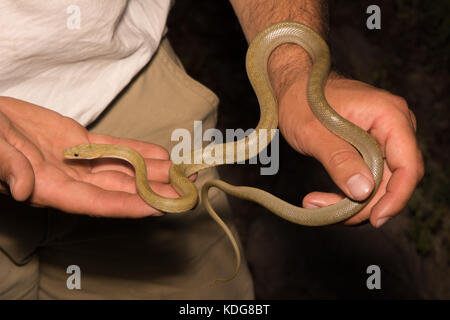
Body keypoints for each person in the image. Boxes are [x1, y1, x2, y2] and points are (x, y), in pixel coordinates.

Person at [0, 0, 423, 299]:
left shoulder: (140, 161)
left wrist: (296, 73)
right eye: (79, 157)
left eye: (79, 155)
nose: (77, 156)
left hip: (125, 78)